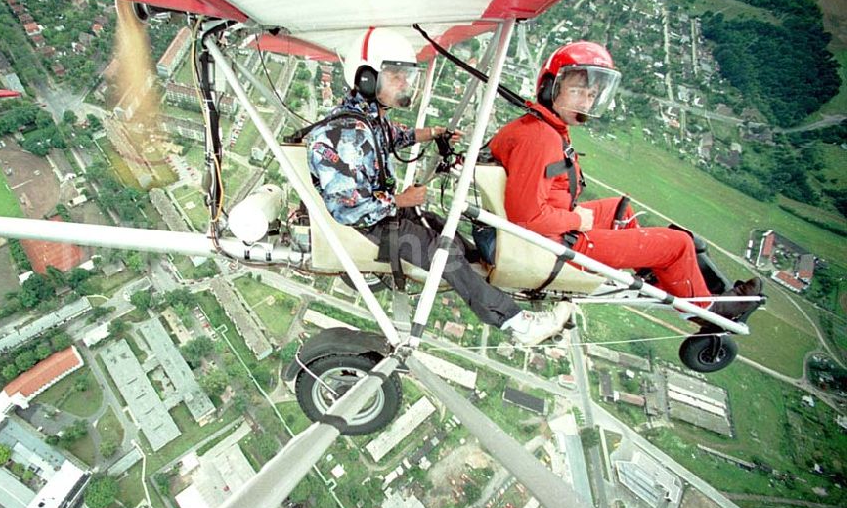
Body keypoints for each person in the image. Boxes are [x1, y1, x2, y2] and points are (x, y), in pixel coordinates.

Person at [305, 27, 573, 346]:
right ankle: (517, 323)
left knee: (443, 230)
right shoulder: (340, 135)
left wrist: (433, 132)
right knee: (442, 254)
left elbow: (393, 136)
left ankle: (495, 286)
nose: (404, 84)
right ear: (366, 78)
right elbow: (347, 210)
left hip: (383, 216)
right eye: (395, 76)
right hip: (368, 227)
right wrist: (401, 201)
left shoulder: (366, 119)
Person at [489, 41, 761, 319]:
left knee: (620, 210)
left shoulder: (540, 126)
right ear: (550, 87)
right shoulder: (541, 138)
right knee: (678, 244)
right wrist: (577, 221)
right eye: (576, 91)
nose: (585, 102)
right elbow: (527, 219)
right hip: (555, 245)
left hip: (556, 230)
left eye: (591, 94)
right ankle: (708, 311)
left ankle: (662, 277)